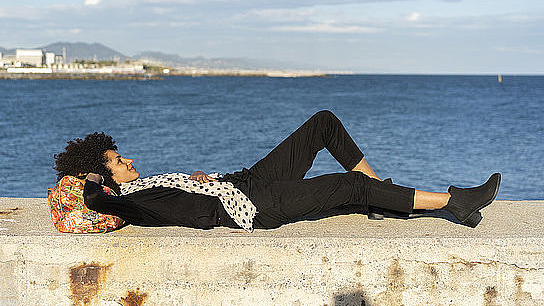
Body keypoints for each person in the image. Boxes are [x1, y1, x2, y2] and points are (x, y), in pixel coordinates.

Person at [53, 110, 500, 231]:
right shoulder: (134, 201)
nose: (128, 160)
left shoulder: (143, 187)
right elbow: (93, 200)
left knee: (322, 123)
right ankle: (455, 202)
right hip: (254, 207)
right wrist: (92, 178)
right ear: (105, 175)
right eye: (117, 161)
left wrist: (206, 182)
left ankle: (379, 193)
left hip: (247, 180)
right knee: (344, 186)